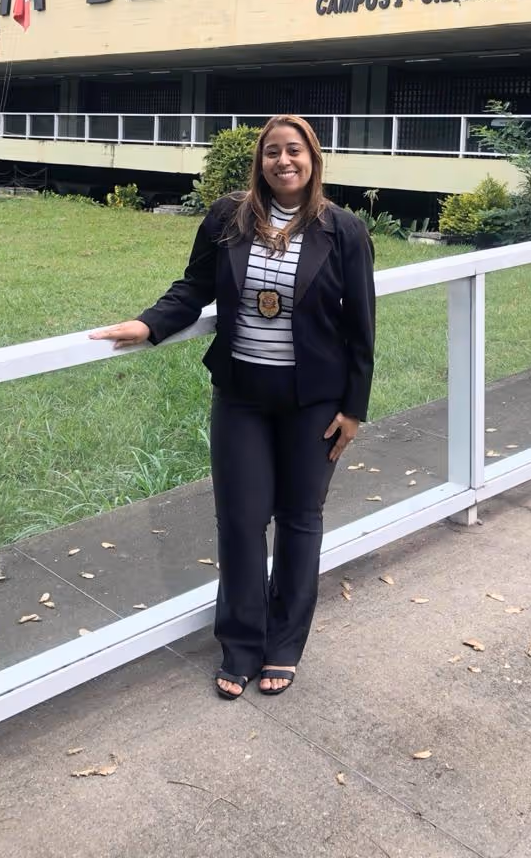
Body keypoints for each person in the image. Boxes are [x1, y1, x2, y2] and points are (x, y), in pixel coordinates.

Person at [90, 114, 376, 699]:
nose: (283, 161)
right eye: (272, 152)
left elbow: (361, 326)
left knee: (300, 521)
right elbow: (194, 287)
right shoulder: (227, 218)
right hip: (242, 396)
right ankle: (242, 645)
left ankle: (285, 644)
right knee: (241, 524)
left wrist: (354, 408)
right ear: (260, 161)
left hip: (314, 403)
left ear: (313, 159)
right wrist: (148, 325)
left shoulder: (343, 230)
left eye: (294, 151)